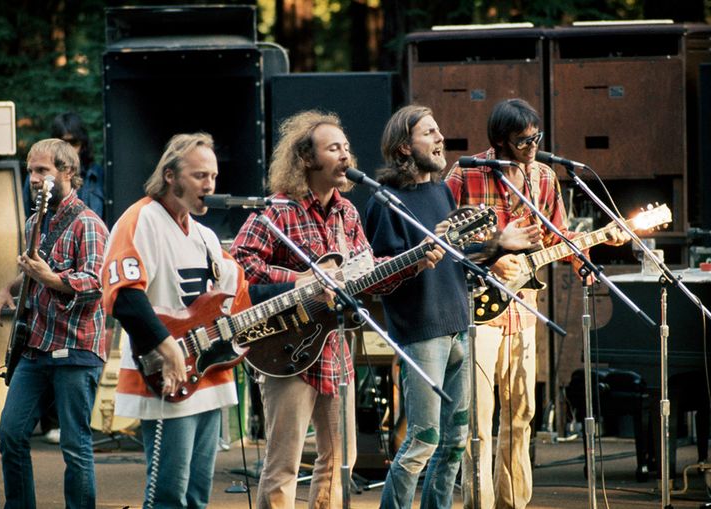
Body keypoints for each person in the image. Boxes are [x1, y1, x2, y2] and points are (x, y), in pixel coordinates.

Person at [230, 110, 443, 509]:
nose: (346, 155)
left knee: (340, 462)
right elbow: (240, 264)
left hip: (333, 345)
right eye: (334, 148)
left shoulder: (348, 213)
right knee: (284, 465)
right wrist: (299, 280)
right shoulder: (279, 209)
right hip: (284, 348)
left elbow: (367, 273)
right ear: (307, 159)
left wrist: (412, 261)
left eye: (346, 147)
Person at [101, 132, 312, 508]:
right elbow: (124, 295)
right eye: (200, 175)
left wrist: (304, 286)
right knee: (168, 494)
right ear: (171, 175)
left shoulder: (207, 237)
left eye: (213, 177)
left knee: (198, 496)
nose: (210, 185)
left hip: (209, 374)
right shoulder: (139, 220)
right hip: (168, 373)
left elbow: (244, 298)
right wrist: (166, 345)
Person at [445, 98, 626, 509]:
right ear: (500, 141)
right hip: (475, 307)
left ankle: (515, 502)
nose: (532, 145)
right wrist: (492, 253)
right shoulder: (466, 173)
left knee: (521, 412)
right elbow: (439, 238)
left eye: (536, 137)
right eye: (523, 139)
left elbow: (557, 236)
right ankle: (480, 502)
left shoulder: (543, 176)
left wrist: (592, 248)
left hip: (523, 307)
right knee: (478, 416)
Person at [364, 104, 487, 509]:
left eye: (439, 131)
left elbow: (455, 253)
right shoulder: (386, 202)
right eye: (429, 133)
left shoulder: (442, 190)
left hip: (458, 324)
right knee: (422, 440)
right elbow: (378, 275)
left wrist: (497, 244)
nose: (440, 139)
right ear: (403, 148)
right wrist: (418, 257)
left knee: (454, 443)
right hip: (421, 332)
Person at [0, 138, 109, 509]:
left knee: (75, 444)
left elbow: (96, 284)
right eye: (30, 171)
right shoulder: (33, 222)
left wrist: (52, 279)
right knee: (10, 432)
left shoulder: (89, 224)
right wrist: (9, 288)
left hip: (77, 347)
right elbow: (31, 273)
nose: (34, 178)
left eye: (43, 170)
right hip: (37, 345)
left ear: (67, 173)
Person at [24, 111, 104, 219]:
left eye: (73, 142)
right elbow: (30, 215)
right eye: (62, 143)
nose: (68, 149)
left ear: (83, 143)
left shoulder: (97, 174)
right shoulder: (36, 176)